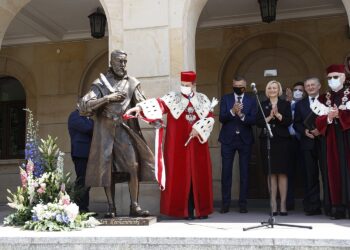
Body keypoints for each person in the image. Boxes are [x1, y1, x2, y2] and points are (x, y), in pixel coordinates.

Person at [125, 71, 216, 220]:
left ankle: (199, 210)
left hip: (198, 144)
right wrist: (139, 108)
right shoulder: (173, 98)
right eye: (182, 84)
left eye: (187, 85)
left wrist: (198, 128)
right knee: (180, 175)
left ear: (193, 85)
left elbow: (210, 119)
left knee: (198, 176)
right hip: (177, 145)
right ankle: (182, 210)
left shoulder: (203, 99)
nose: (184, 87)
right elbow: (158, 104)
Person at [78, 49, 155, 218]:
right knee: (107, 169)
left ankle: (134, 205)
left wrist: (153, 115)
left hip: (125, 130)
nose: (123, 65)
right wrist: (107, 98)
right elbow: (84, 105)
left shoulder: (132, 83)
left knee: (133, 166)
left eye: (125, 61)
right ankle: (111, 206)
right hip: (105, 132)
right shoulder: (100, 84)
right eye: (119, 61)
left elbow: (144, 104)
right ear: (111, 63)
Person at [311, 64, 350, 219]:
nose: (332, 80)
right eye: (330, 78)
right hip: (331, 139)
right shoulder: (322, 98)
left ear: (344, 77)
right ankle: (337, 207)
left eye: (336, 77)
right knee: (333, 171)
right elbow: (316, 121)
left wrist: (340, 115)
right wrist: (328, 117)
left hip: (347, 137)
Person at [218, 76, 257, 214]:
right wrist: (232, 112)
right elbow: (221, 118)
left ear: (245, 86)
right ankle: (225, 204)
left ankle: (243, 204)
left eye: (240, 85)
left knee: (244, 173)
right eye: (235, 85)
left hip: (245, 140)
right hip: (228, 140)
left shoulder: (251, 99)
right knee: (226, 172)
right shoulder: (226, 98)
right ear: (232, 85)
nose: (238, 87)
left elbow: (254, 119)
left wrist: (241, 115)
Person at [293, 77, 330, 216]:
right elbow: (296, 123)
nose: (310, 87)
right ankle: (313, 207)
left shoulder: (326, 101)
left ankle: (329, 205)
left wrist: (320, 129)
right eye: (307, 85)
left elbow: (330, 120)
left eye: (312, 85)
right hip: (307, 144)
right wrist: (305, 131)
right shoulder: (299, 104)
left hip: (324, 142)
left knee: (327, 175)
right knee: (310, 175)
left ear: (319, 86)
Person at [256, 80, 292, 216]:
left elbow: (289, 121)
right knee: (270, 172)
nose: (272, 90)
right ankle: (273, 203)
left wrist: (278, 115)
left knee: (282, 172)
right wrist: (270, 116)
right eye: (269, 88)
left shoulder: (285, 104)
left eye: (274, 88)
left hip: (282, 141)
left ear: (279, 90)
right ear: (267, 90)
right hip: (267, 141)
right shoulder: (262, 104)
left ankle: (282, 204)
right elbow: (258, 123)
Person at [68, 109, 93, 213]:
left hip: (89, 153)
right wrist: (92, 120)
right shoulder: (75, 115)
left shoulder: (86, 117)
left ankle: (84, 207)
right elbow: (88, 128)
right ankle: (79, 207)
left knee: (87, 182)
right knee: (82, 181)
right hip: (80, 153)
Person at [286, 82, 305, 211]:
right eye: (296, 89)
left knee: (304, 172)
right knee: (288, 173)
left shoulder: (305, 105)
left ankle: (307, 201)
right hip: (288, 142)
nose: (298, 92)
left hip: (302, 141)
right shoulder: (287, 104)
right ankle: (289, 202)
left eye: (300, 90)